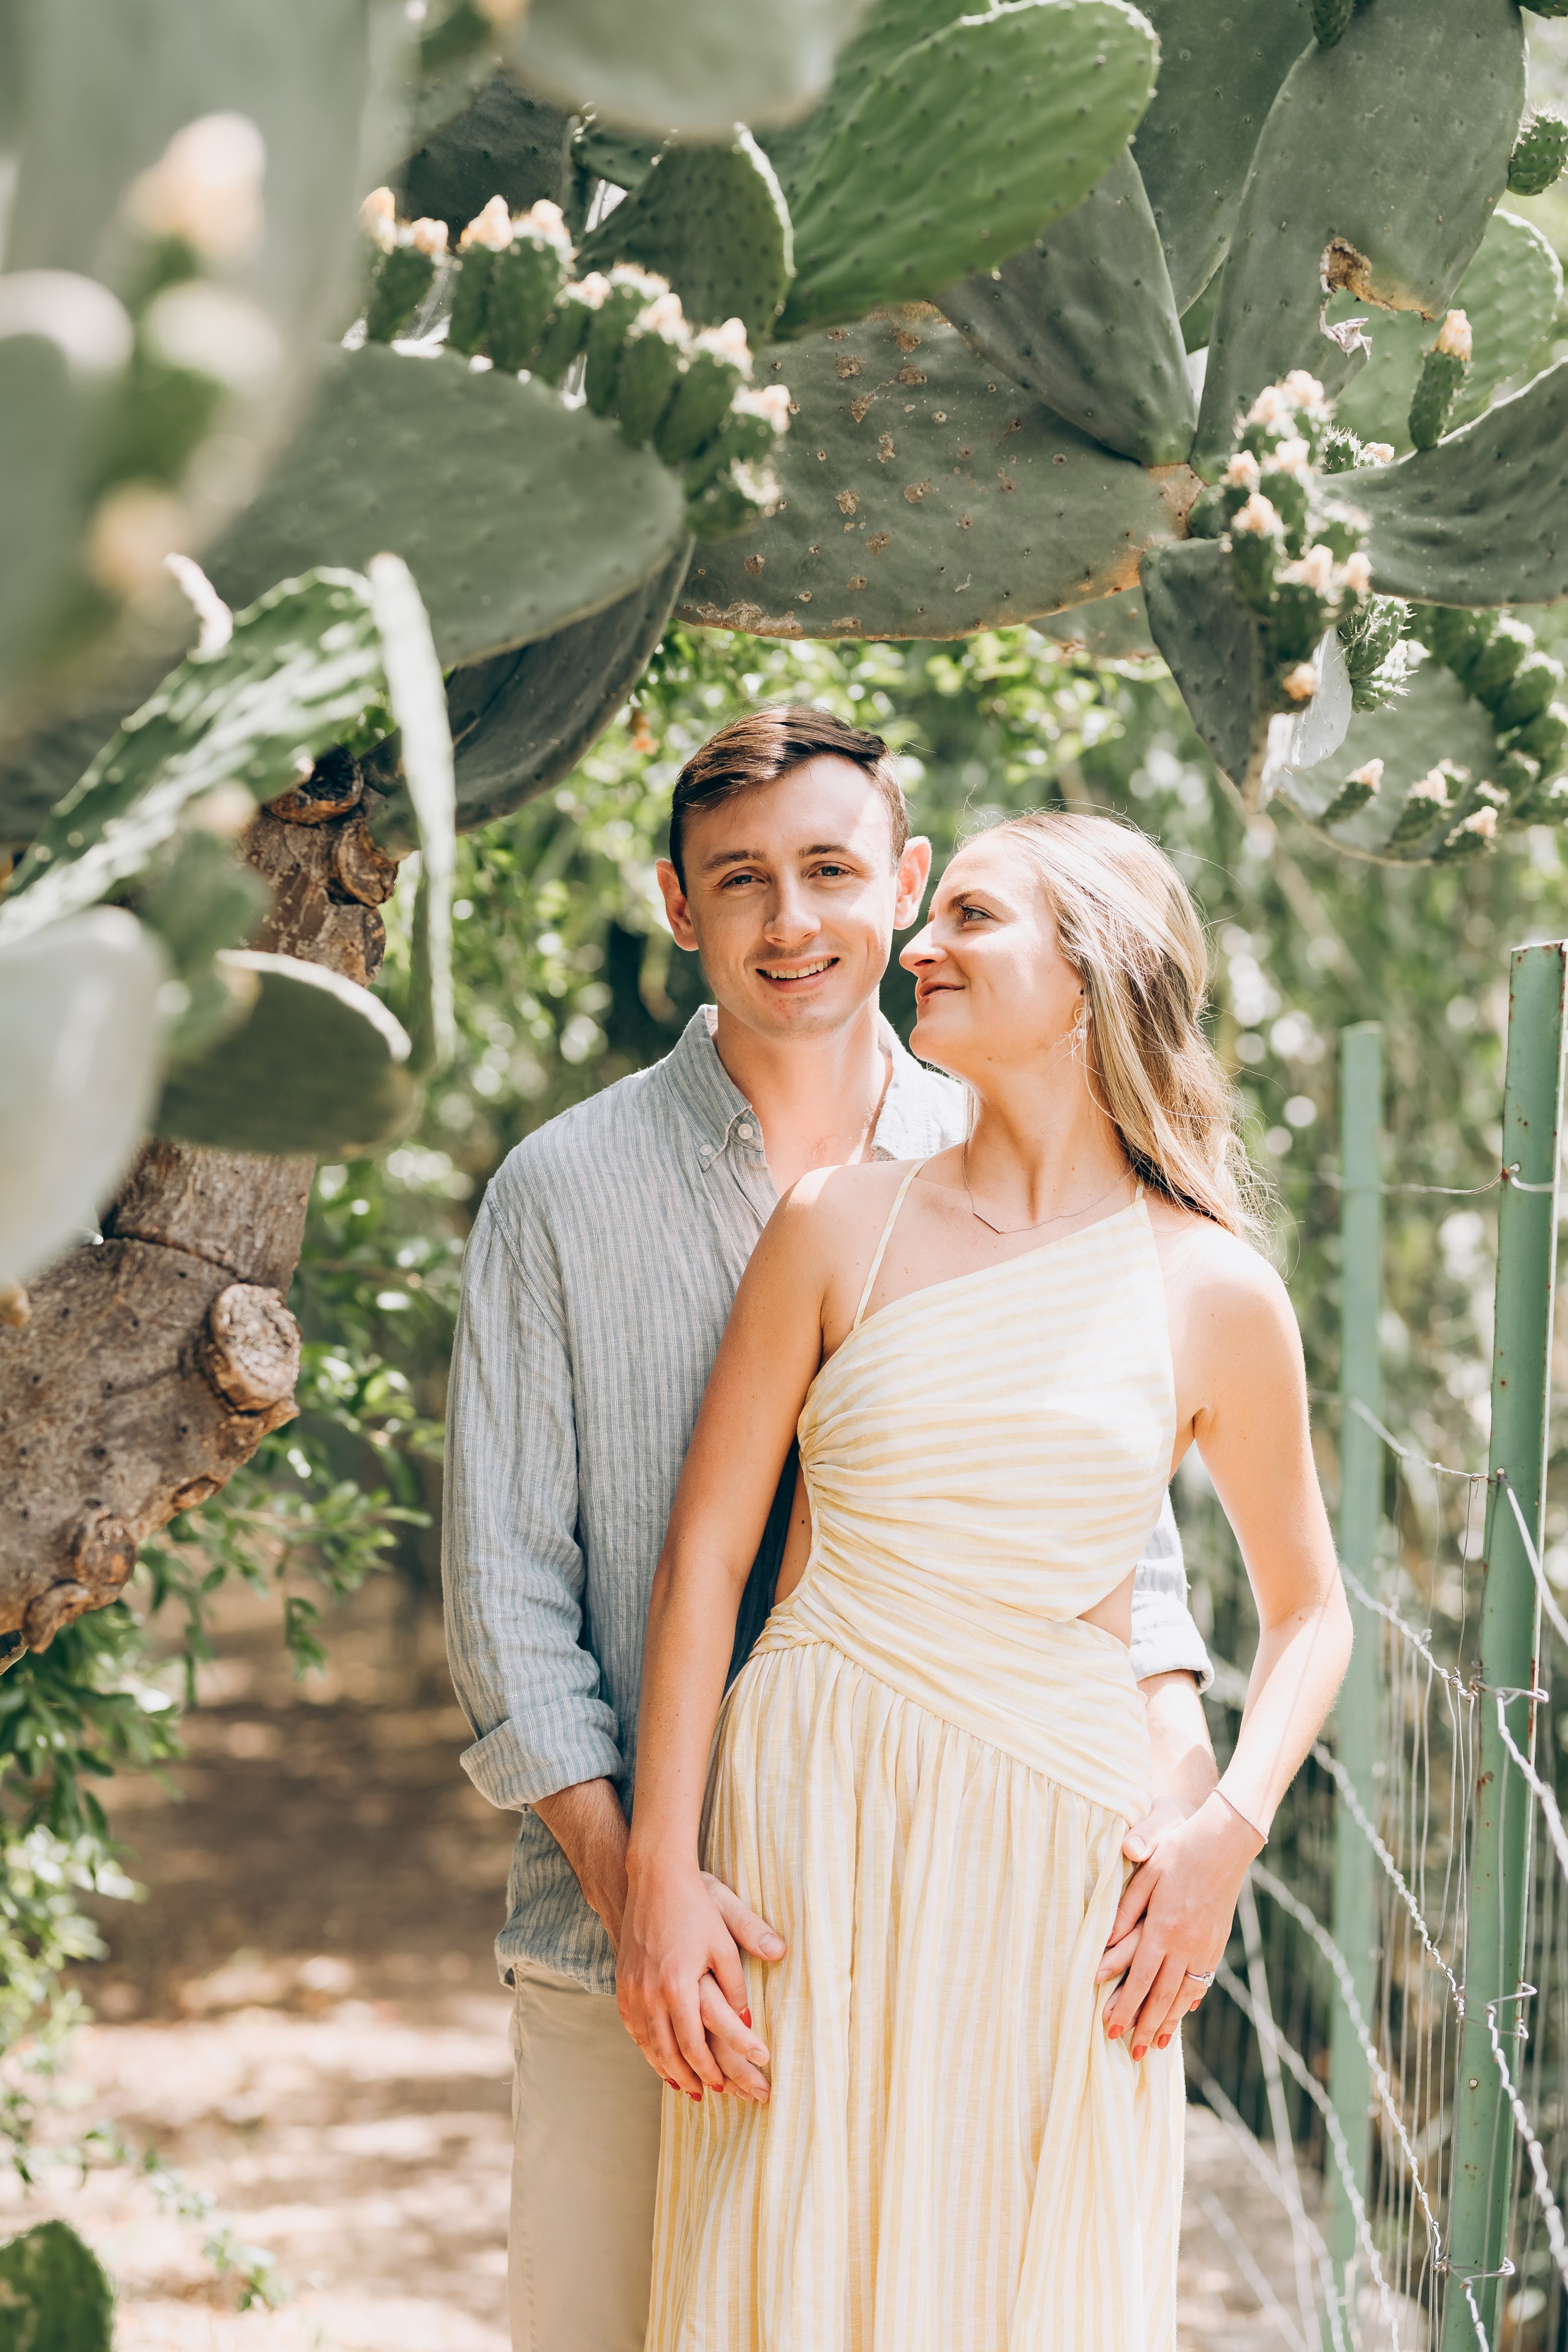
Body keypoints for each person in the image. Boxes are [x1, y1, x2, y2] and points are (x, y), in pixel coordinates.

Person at [442, 715, 1218, 2352]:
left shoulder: (1030, 1158)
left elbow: (1119, 1563)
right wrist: (646, 1899)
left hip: (960, 1929)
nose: (790, 920)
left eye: (829, 871)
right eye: (740, 881)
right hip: (628, 1947)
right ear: (678, 906)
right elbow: (506, 1603)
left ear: (905, 884)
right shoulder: (559, 1192)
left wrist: (1193, 1823)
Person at [619, 807, 1353, 2352]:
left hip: (1054, 1853)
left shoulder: (1210, 1287)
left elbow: (1310, 1612)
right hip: (807, 1825)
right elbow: (703, 1562)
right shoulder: (837, 1224)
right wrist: (659, 1875)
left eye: (969, 916)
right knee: (786, 2256)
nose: (919, 947)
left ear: (1091, 974)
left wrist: (1223, 1836)